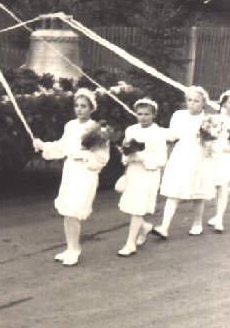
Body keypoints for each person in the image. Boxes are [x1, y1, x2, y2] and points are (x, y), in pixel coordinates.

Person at [33, 88, 110, 267]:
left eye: (83, 106)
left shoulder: (97, 129)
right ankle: (70, 247)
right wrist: (43, 145)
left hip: (85, 173)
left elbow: (102, 158)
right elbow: (62, 146)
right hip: (71, 172)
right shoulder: (70, 126)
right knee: (67, 212)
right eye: (76, 105)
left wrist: (83, 154)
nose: (79, 109)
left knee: (75, 212)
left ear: (92, 109)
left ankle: (75, 250)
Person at [153, 86, 216, 239]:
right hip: (181, 155)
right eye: (189, 100)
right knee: (174, 191)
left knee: (197, 192)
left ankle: (197, 223)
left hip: (199, 156)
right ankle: (164, 227)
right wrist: (158, 132)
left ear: (203, 103)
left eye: (196, 101)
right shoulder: (179, 115)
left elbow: (211, 142)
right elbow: (172, 135)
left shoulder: (208, 120)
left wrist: (207, 140)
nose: (192, 104)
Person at [116, 98, 168, 256]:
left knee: (138, 208)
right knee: (131, 206)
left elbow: (161, 159)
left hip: (148, 174)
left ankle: (130, 244)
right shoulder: (131, 130)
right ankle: (144, 227)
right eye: (139, 114)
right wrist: (127, 155)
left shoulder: (158, 133)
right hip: (133, 172)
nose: (143, 117)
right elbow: (125, 153)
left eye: (147, 114)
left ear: (153, 115)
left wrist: (141, 157)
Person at [208, 89, 230, 232]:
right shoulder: (215, 119)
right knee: (214, 186)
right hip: (213, 155)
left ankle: (219, 219)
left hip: (226, 156)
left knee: (223, 186)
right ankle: (217, 215)